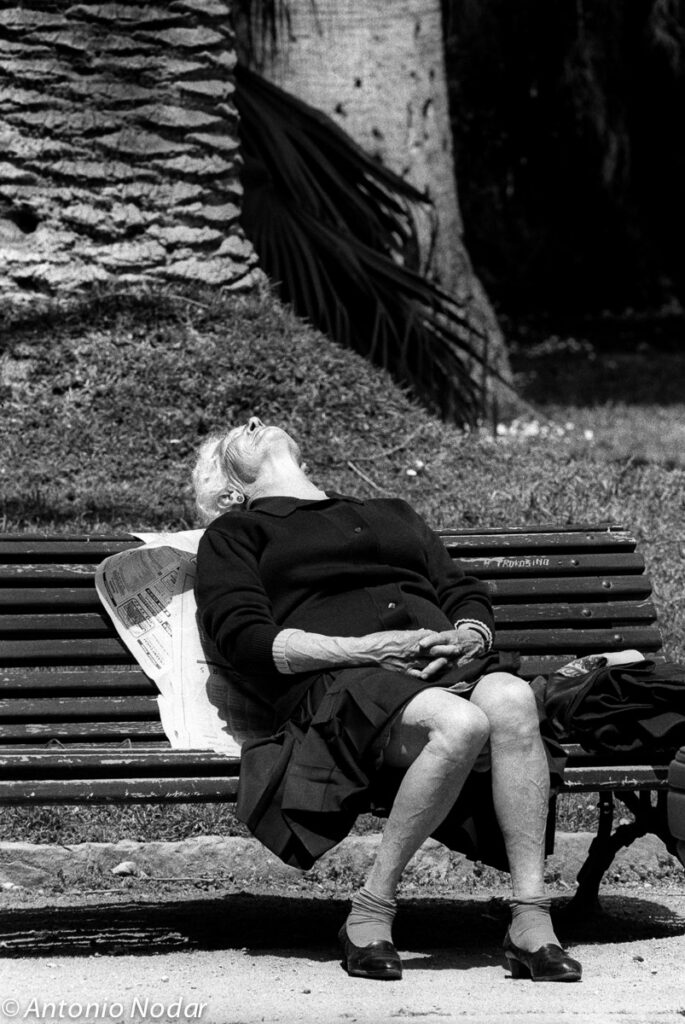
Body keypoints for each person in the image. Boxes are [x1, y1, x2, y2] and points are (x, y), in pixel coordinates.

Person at [192, 417, 582, 983]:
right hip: (347, 690)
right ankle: (371, 909)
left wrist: (469, 636)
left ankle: (530, 917)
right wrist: (366, 650)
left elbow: (462, 593)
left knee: (514, 699)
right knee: (460, 723)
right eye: (239, 434)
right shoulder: (235, 534)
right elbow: (247, 640)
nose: (256, 421)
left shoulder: (390, 512)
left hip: (447, 667)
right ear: (231, 489)